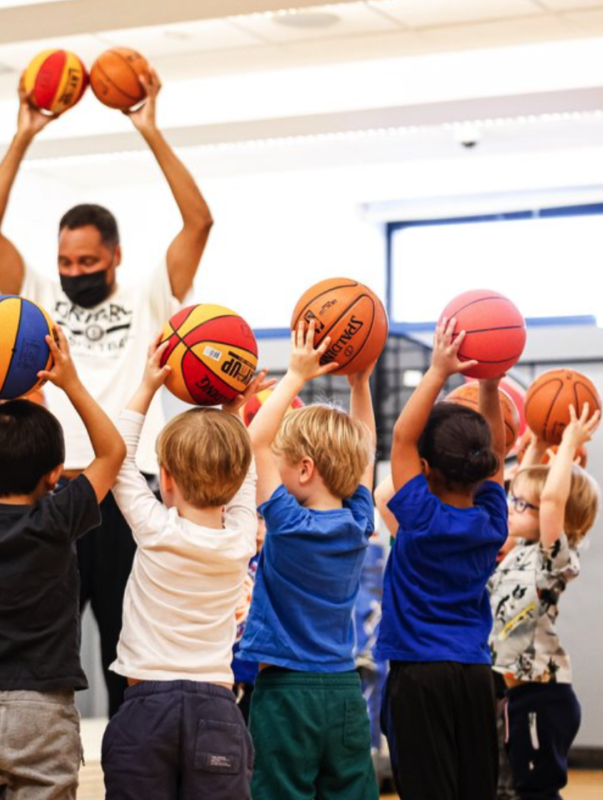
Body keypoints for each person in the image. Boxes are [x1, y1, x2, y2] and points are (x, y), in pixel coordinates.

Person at [0, 69, 213, 716]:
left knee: (127, 644)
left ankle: (133, 763)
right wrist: (22, 137)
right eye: (67, 263)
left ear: (115, 257)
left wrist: (150, 130)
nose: (75, 273)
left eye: (88, 262)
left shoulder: (151, 296)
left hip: (129, 489)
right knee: (37, 640)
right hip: (51, 491)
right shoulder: (38, 297)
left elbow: (199, 220)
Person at [0, 329, 127, 798]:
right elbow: (113, 453)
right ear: (53, 474)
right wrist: (72, 385)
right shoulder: (59, 517)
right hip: (43, 710)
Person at [99, 341, 261, 799]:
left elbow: (119, 461)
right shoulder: (241, 538)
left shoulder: (154, 528)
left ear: (165, 479)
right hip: (218, 709)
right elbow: (245, 476)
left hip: (147, 707)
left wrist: (148, 385)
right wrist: (232, 414)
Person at [239, 323, 381, 800]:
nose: (272, 467)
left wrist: (295, 375)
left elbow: (255, 440)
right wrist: (360, 385)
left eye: (283, 462)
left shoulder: (287, 523)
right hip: (343, 690)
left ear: (303, 470)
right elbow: (365, 451)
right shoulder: (357, 522)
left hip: (286, 692)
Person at [380, 318, 514, 799]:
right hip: (476, 676)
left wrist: (439, 370)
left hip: (420, 676)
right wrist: (491, 387)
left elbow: (399, 437)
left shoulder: (419, 517)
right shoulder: (491, 522)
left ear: (426, 469)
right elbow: (496, 454)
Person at [491, 407, 599, 800]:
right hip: (516, 696)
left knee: (537, 792)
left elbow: (551, 500)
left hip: (543, 696)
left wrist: (568, 443)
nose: (510, 506)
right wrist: (534, 445)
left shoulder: (553, 558)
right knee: (518, 789)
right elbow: (526, 490)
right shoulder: (518, 549)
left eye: (521, 505)